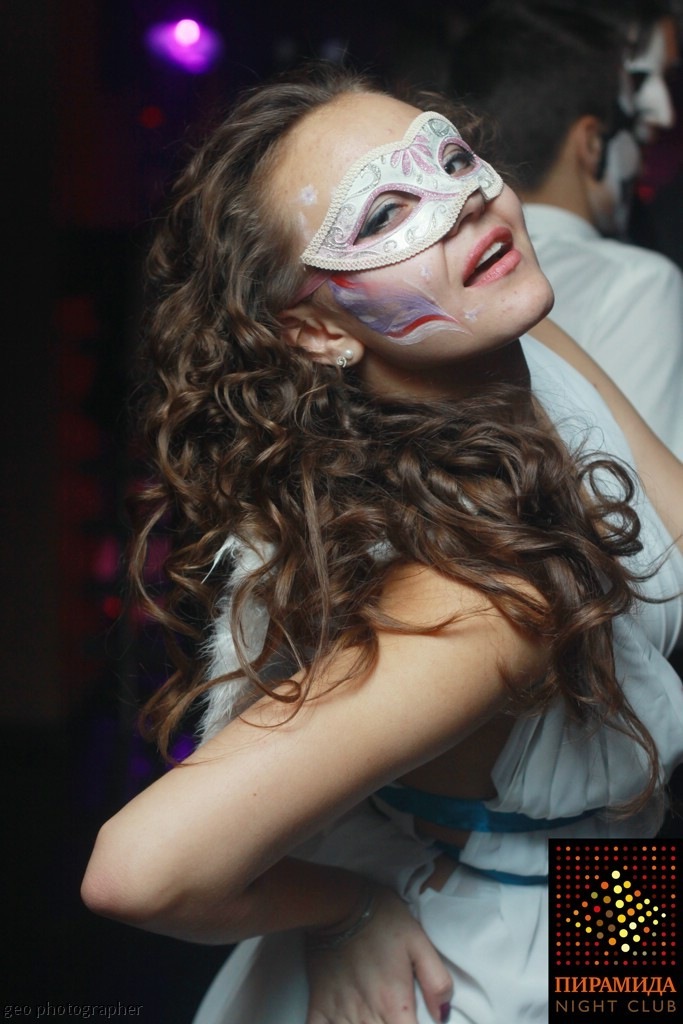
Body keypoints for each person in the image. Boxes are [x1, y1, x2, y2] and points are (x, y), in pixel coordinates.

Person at [81, 64, 683, 1024]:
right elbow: (138, 870)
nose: (462, 202)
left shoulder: (521, 352)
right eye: (385, 214)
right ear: (316, 332)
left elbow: (674, 511)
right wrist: (345, 910)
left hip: (607, 881)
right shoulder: (490, 598)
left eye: (451, 158)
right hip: (478, 960)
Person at [450, 1, 683, 460]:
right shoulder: (636, 283)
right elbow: (645, 497)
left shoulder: (453, 287)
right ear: (591, 144)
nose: (660, 118)